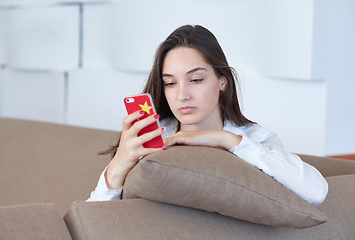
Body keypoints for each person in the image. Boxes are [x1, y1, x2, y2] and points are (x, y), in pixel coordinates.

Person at [88, 25, 328, 206]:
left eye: (196, 80)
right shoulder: (150, 134)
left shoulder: (252, 138)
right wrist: (118, 165)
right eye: (170, 83)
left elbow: (316, 191)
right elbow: (94, 217)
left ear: (222, 81)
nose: (182, 94)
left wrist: (226, 139)